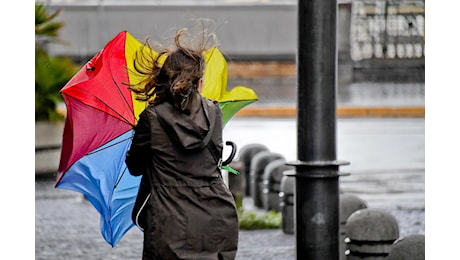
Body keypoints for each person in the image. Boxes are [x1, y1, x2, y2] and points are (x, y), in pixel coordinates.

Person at [125, 26, 239, 260]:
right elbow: (213, 159)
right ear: (198, 82)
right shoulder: (215, 112)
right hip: (217, 218)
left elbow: (135, 167)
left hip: (170, 222)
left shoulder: (152, 117)